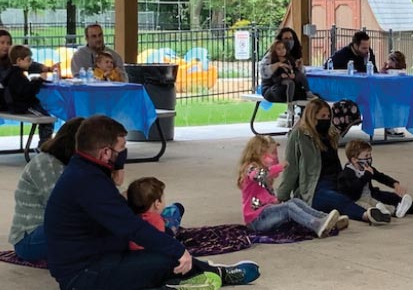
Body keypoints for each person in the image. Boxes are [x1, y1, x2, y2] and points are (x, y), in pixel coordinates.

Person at [44, 115, 260, 290]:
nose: (123, 155)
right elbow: (131, 226)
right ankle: (214, 274)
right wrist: (178, 250)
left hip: (97, 260)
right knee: (168, 258)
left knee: (159, 251)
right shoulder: (89, 182)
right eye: (121, 150)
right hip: (84, 276)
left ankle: (200, 274)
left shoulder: (84, 170)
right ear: (105, 153)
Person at [276, 99, 391, 226]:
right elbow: (291, 168)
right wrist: (282, 196)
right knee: (336, 199)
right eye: (322, 116)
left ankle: (405, 207)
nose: (326, 119)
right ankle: (366, 215)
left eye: (329, 116)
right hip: (314, 187)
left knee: (369, 192)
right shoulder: (298, 135)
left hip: (337, 180)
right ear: (312, 116)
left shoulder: (331, 133)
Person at [7, 117, 91, 262]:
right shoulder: (46, 164)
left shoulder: (71, 164)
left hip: (54, 228)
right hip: (29, 238)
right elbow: (66, 207)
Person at [237, 135, 339, 238]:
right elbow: (259, 176)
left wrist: (273, 200)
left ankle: (325, 218)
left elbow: (261, 197)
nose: (272, 157)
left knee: (295, 201)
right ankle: (316, 224)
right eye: (269, 153)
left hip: (264, 213)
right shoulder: (250, 168)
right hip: (256, 221)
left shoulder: (261, 169)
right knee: (288, 207)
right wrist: (279, 167)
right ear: (258, 153)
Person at [2, 45, 54, 145]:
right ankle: (44, 146)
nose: (30, 63)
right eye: (28, 60)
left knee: (46, 118)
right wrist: (39, 80)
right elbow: (28, 92)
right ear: (19, 61)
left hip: (17, 105)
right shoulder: (17, 75)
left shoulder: (12, 73)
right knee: (47, 120)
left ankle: (44, 144)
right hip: (23, 106)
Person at [126, 177, 182, 251]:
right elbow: (162, 242)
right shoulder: (156, 220)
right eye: (163, 198)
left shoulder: (128, 216)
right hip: (152, 249)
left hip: (134, 249)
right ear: (157, 204)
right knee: (178, 207)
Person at [261, 40, 311, 104]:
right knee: (288, 86)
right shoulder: (273, 62)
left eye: (283, 48)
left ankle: (308, 92)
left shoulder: (289, 59)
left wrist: (293, 74)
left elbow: (294, 70)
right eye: (279, 49)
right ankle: (289, 102)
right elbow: (274, 78)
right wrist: (281, 76)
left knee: (300, 77)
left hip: (289, 80)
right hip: (279, 84)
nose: (282, 50)